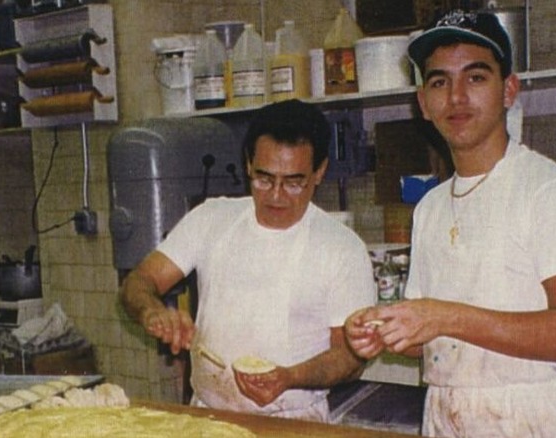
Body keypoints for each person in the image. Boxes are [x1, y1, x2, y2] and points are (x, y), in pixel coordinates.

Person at [344, 10, 556, 437]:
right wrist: (388, 330)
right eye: (439, 81)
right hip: (448, 416)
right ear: (423, 102)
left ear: (508, 90)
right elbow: (434, 340)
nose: (456, 97)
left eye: (475, 78)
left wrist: (444, 317)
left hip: (537, 418)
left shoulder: (553, 193)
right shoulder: (431, 207)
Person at [119, 99, 375, 422]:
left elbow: (351, 357)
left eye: (294, 182)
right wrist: (153, 311)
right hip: (207, 417)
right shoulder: (212, 218)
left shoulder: (342, 248)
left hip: (293, 422)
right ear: (248, 164)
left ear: (319, 171)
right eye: (264, 179)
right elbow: (139, 282)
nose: (276, 196)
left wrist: (290, 377)